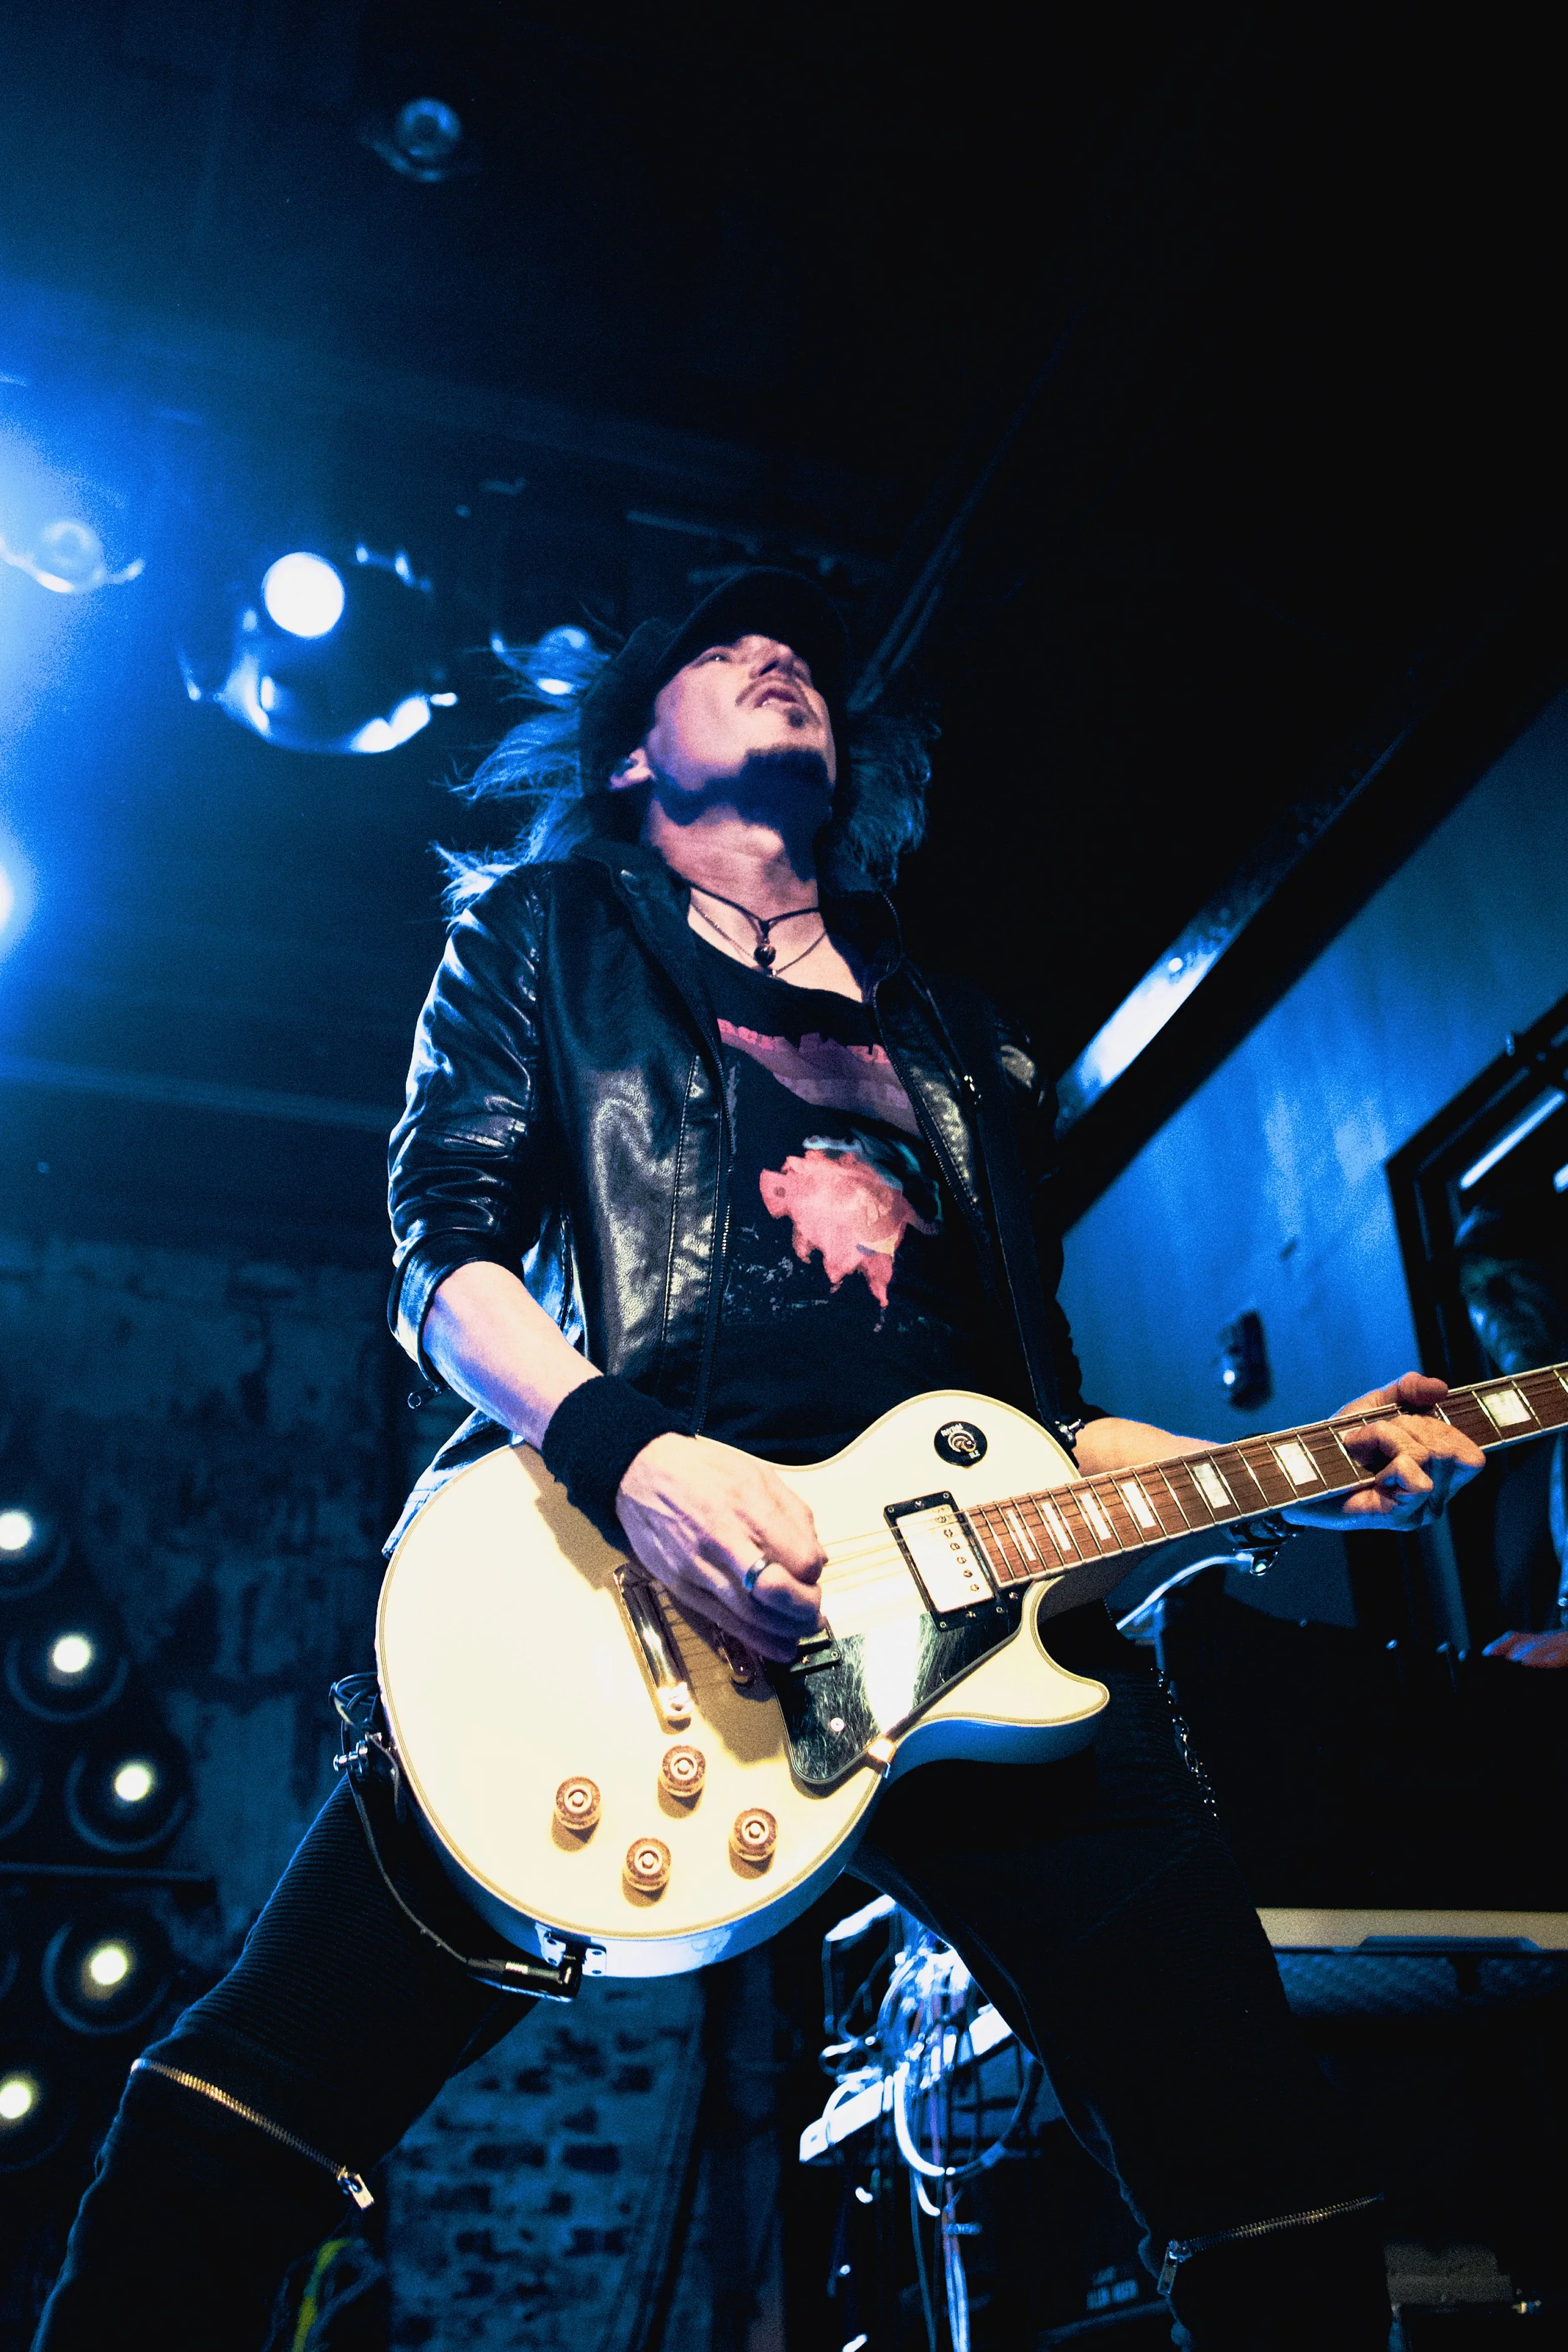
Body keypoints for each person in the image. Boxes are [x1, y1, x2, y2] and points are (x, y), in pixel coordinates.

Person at [36, 569, 1486, 2350]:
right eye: (720, 658)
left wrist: (1291, 1464)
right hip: (619, 1572)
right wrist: (633, 1459)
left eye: (796, 657)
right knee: (235, 2126)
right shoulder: (547, 938)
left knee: (1287, 2200)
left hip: (972, 1630)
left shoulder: (960, 1033)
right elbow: (445, 1262)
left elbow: (1047, 1412)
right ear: (637, 758)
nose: (775, 661)